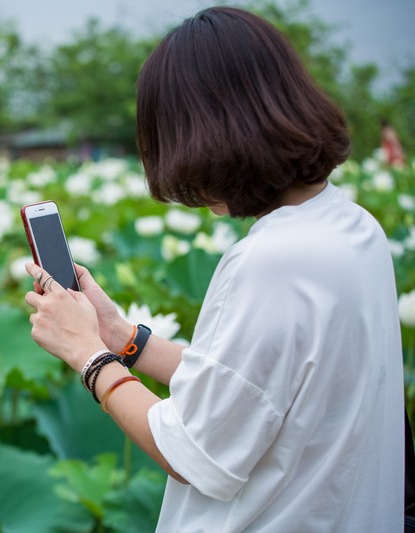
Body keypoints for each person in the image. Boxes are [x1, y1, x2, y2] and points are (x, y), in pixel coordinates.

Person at [24, 7, 405, 532]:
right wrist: (121, 336)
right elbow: (252, 392)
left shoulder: (271, 260)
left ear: (207, 132)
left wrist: (88, 356)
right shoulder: (354, 226)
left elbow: (193, 454)